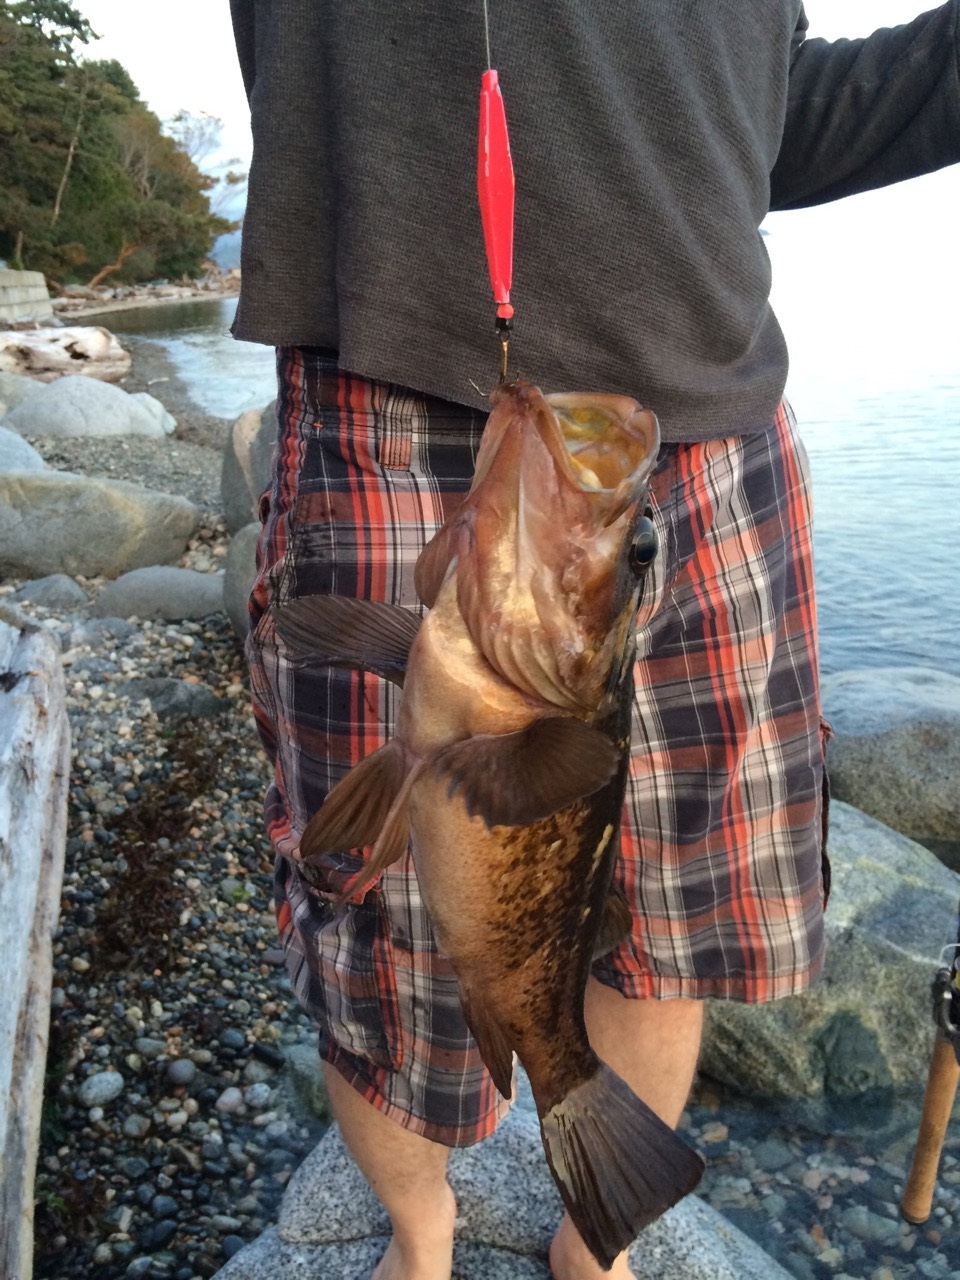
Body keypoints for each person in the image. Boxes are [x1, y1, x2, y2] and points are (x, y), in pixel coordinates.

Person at [228, 4, 960, 1278]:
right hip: (391, 361)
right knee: (373, 928)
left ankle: (595, 1240)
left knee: (673, 903)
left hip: (713, 417)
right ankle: (419, 1235)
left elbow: (770, 102)